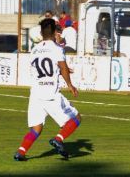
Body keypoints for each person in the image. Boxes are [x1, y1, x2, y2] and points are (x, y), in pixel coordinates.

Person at [14, 18, 81, 161]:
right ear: (54, 31)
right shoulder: (57, 48)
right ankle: (58, 139)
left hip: (36, 94)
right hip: (50, 93)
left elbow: (45, 65)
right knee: (76, 118)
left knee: (36, 128)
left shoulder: (34, 50)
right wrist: (70, 84)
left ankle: (21, 152)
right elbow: (61, 67)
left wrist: (62, 69)